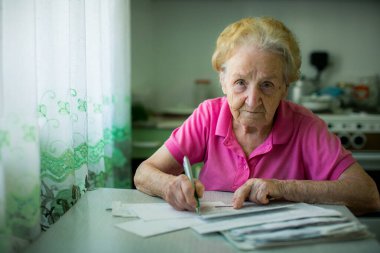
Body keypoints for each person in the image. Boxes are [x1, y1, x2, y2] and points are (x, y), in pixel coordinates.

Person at [134, 17, 380, 215]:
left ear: (285, 86)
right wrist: (170, 186)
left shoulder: (305, 126)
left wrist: (282, 187)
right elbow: (144, 173)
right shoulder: (209, 115)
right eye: (240, 82)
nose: (252, 100)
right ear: (223, 81)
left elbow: (368, 195)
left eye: (267, 85)